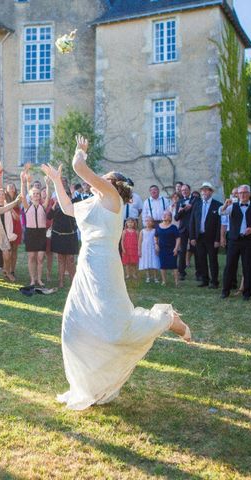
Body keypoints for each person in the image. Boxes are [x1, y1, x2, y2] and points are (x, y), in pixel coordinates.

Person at [41, 135, 191, 411]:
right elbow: (65, 207)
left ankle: (167, 319)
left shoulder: (112, 199)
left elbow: (80, 167)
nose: (96, 181)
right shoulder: (90, 203)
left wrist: (81, 151)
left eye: (104, 178)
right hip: (85, 266)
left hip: (105, 264)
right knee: (74, 327)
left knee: (114, 330)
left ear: (113, 185)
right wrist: (54, 180)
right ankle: (88, 387)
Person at [220, 185, 251, 300]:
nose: (242, 195)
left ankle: (247, 293)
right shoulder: (232, 206)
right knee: (229, 266)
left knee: (248, 267)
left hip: (248, 240)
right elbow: (221, 212)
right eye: (240, 193)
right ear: (237, 195)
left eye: (245, 192)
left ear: (249, 194)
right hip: (234, 240)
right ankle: (225, 291)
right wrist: (225, 204)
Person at [20, 171, 51, 286]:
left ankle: (39, 279)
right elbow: (23, 196)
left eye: (38, 193)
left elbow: (47, 196)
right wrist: (23, 183)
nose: (36, 195)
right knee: (32, 257)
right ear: (31, 195)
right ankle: (32, 279)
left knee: (40, 258)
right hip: (31, 233)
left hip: (41, 233)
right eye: (34, 194)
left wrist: (47, 184)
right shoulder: (27, 206)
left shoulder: (43, 206)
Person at [47, 177, 79, 288]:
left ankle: (73, 282)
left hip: (70, 236)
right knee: (60, 259)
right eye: (63, 196)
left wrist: (73, 193)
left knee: (71, 259)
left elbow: (79, 200)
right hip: (58, 236)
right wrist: (53, 207)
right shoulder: (56, 206)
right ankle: (60, 281)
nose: (65, 197)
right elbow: (49, 216)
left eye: (67, 195)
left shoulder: (74, 205)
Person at [189, 182, 222, 288]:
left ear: (211, 192)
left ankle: (214, 281)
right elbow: (192, 221)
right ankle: (205, 280)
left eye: (207, 189)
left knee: (213, 260)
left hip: (212, 238)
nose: (204, 192)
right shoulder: (197, 204)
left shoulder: (218, 205)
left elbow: (219, 224)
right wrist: (192, 237)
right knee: (201, 259)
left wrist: (218, 239)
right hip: (199, 237)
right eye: (202, 190)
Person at [0, 188, 18, 282]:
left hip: (6, 233)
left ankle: (6, 271)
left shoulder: (8, 206)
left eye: (2, 194)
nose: (1, 196)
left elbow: (16, 218)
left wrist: (11, 210)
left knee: (7, 256)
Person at [174, 184, 195, 280]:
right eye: (182, 190)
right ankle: (181, 272)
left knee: (196, 250)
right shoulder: (179, 202)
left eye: (186, 189)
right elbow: (176, 218)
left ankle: (199, 273)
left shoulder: (195, 200)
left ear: (189, 190)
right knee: (182, 250)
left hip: (194, 228)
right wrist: (181, 210)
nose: (184, 191)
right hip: (183, 229)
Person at [155, 211, 180, 286]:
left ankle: (176, 282)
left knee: (174, 266)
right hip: (162, 249)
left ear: (170, 217)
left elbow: (178, 238)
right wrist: (156, 244)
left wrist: (176, 248)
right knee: (163, 266)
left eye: (167, 215)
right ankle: (164, 281)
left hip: (172, 249)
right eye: (163, 214)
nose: (164, 216)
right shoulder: (158, 226)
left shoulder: (173, 227)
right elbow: (156, 236)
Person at [139, 217, 160, 283]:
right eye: (146, 221)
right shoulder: (142, 231)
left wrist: (157, 247)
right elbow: (140, 241)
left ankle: (155, 277)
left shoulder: (155, 230)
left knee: (154, 261)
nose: (148, 222)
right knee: (146, 262)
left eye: (150, 221)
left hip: (153, 247)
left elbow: (157, 239)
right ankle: (148, 277)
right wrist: (139, 250)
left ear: (153, 223)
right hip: (145, 248)